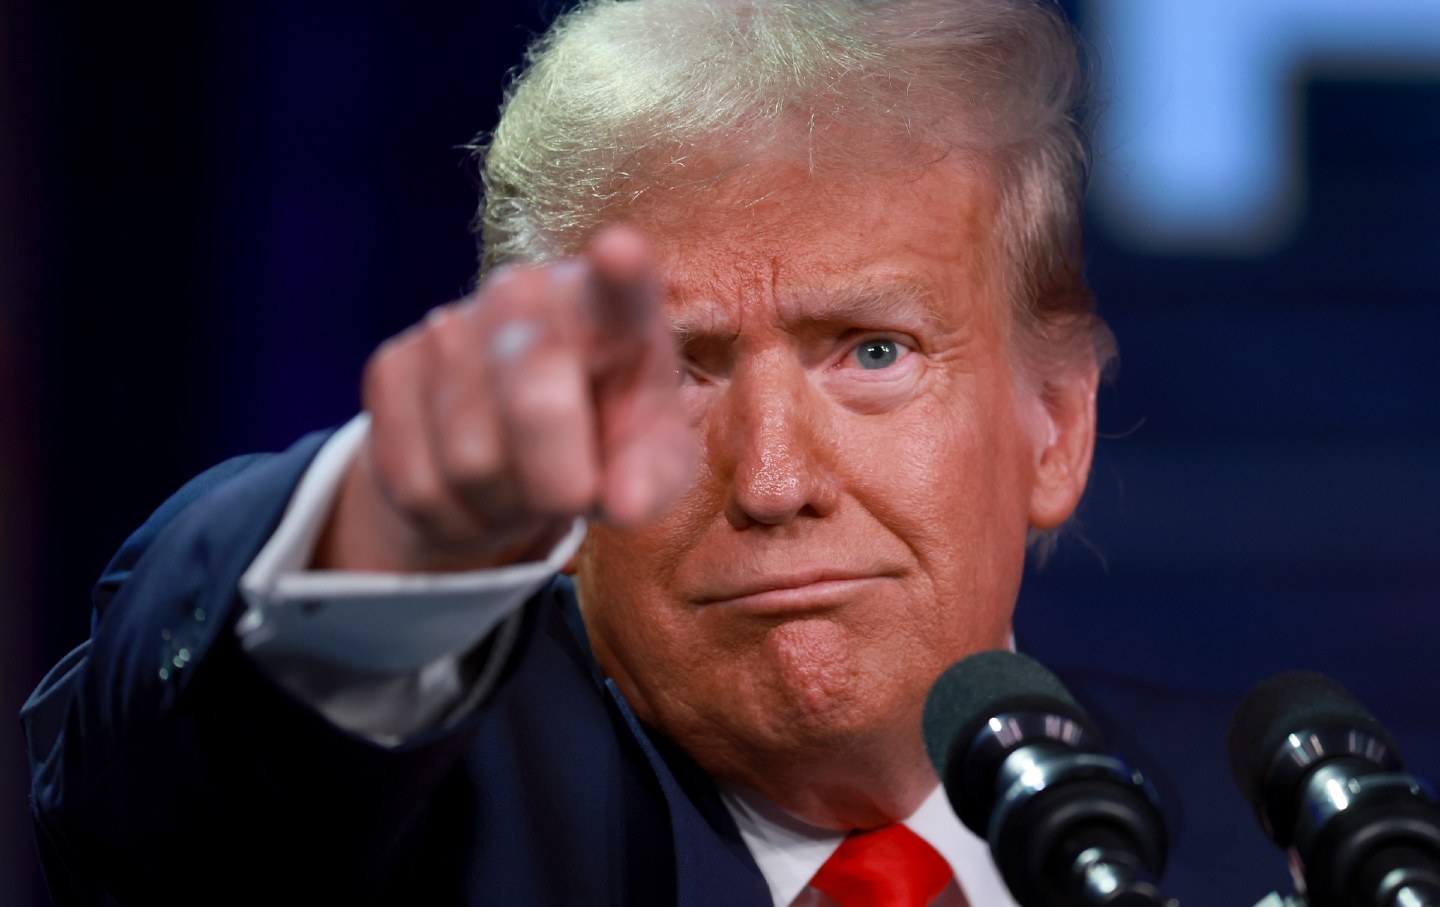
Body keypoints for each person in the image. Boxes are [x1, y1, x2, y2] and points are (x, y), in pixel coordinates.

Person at [24, 0, 1126, 903]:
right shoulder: (420, 829)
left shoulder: (1271, 829)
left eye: (874, 351)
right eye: (675, 372)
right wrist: (402, 525)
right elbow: (202, 782)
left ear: (1056, 427)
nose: (776, 480)